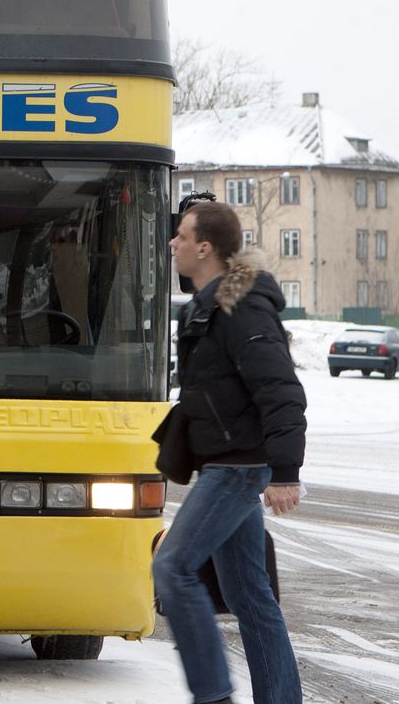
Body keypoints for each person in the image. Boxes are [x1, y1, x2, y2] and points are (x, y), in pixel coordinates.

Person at [153, 202, 306, 704]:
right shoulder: (206, 304)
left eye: (181, 236)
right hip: (227, 460)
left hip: (240, 466)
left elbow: (280, 389)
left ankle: (213, 695)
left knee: (173, 568)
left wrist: (285, 471)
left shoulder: (242, 307)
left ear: (205, 247)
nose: (172, 243)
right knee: (249, 594)